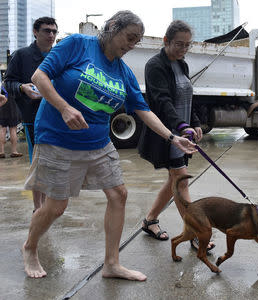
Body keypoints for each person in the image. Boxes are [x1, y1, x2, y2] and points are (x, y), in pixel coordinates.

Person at [22, 11, 196, 280]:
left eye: (136, 41)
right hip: (58, 138)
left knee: (119, 195)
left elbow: (143, 109)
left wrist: (173, 138)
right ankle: (30, 248)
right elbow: (39, 77)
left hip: (98, 143)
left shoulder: (123, 72)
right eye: (129, 37)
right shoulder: (78, 44)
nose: (131, 45)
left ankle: (111, 264)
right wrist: (65, 108)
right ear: (113, 27)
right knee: (56, 207)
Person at [138, 20, 214, 252]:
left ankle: (150, 220)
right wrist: (180, 126)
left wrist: (195, 123)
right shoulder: (155, 66)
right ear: (166, 41)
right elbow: (162, 101)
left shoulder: (182, 65)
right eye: (179, 44)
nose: (183, 49)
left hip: (183, 132)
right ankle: (194, 233)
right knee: (181, 181)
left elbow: (186, 97)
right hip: (167, 134)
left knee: (174, 180)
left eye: (187, 45)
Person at [4, 17, 58, 211]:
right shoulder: (21, 56)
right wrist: (22, 87)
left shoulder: (58, 55)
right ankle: (38, 207)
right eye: (46, 30)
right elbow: (8, 83)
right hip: (33, 118)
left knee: (52, 163)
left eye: (54, 31)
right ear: (35, 32)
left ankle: (47, 205)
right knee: (39, 163)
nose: (51, 35)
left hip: (57, 116)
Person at [0, 85, 22, 158]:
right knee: (13, 130)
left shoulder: (2, 85)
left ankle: (1, 151)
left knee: (2, 129)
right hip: (13, 108)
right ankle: (14, 151)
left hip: (2, 108)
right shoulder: (12, 85)